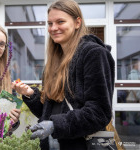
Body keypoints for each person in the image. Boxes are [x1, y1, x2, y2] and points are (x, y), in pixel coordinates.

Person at [12, 0, 115, 150]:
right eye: (50, 23)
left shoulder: (93, 54)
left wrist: (55, 125)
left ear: (77, 22)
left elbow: (99, 112)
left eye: (60, 21)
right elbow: (47, 113)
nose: (53, 28)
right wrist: (30, 95)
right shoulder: (53, 62)